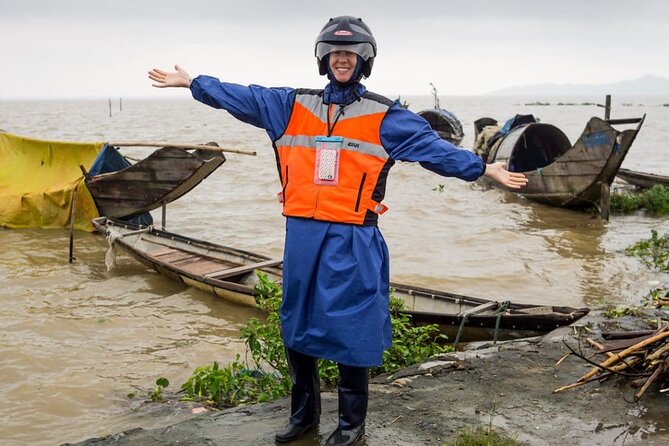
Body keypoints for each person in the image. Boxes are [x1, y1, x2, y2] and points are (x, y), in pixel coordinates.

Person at [149, 15, 527, 446]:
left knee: (352, 327)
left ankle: (351, 425)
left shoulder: (386, 116)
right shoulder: (291, 106)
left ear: (364, 59)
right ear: (323, 58)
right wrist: (194, 81)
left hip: (353, 237)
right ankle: (304, 416)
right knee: (296, 323)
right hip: (302, 235)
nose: (341, 58)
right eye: (334, 52)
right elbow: (243, 96)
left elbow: (433, 150)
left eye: (349, 52)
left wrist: (481, 167)